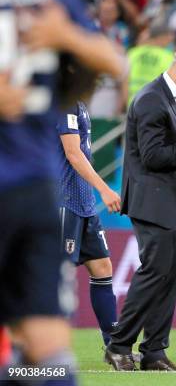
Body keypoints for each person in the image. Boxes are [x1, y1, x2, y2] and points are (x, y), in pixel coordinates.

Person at [0, 0, 123, 383]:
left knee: (41, 338)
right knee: (44, 339)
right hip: (41, 188)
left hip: (35, 188)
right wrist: (68, 34)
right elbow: (114, 63)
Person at [104, 43, 176, 371]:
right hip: (154, 202)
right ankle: (119, 345)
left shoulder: (174, 98)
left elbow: (170, 146)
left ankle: (153, 351)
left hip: (173, 203)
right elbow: (154, 157)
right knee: (154, 273)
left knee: (168, 277)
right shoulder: (152, 99)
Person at [57, 100, 121, 348]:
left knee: (103, 268)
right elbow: (73, 153)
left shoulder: (79, 104)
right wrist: (104, 189)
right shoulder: (66, 103)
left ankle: (114, 346)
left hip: (84, 204)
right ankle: (44, 347)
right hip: (64, 201)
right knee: (57, 276)